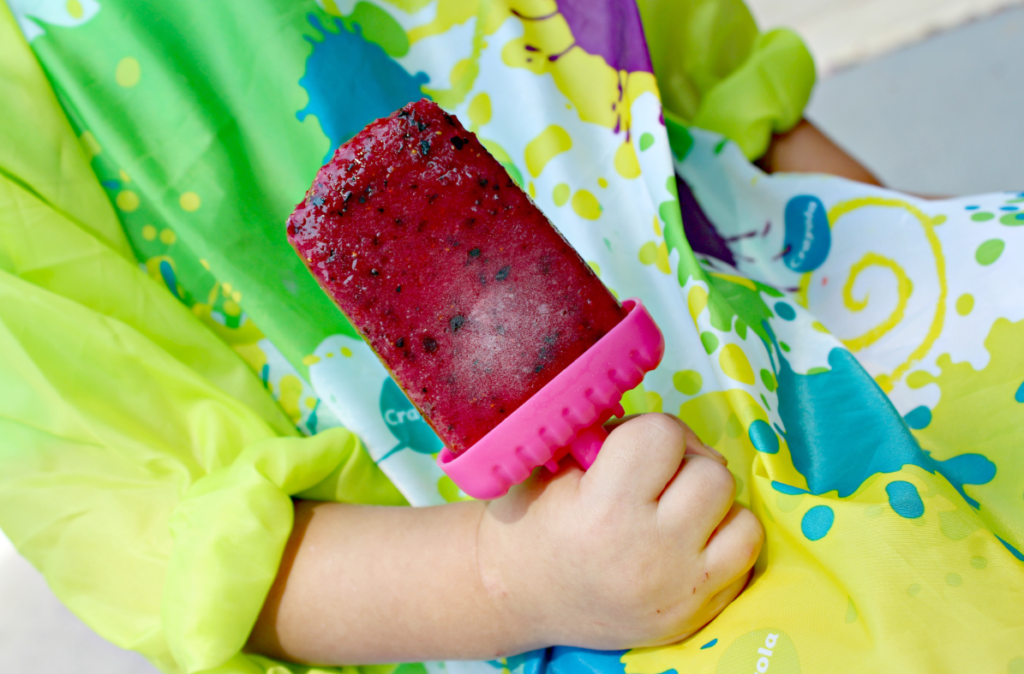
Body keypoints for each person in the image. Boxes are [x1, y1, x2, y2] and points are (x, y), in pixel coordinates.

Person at [4, 1, 1022, 673]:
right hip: (476, 578)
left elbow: (720, 96)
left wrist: (935, 261)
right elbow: (186, 539)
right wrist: (518, 581)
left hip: (777, 294)